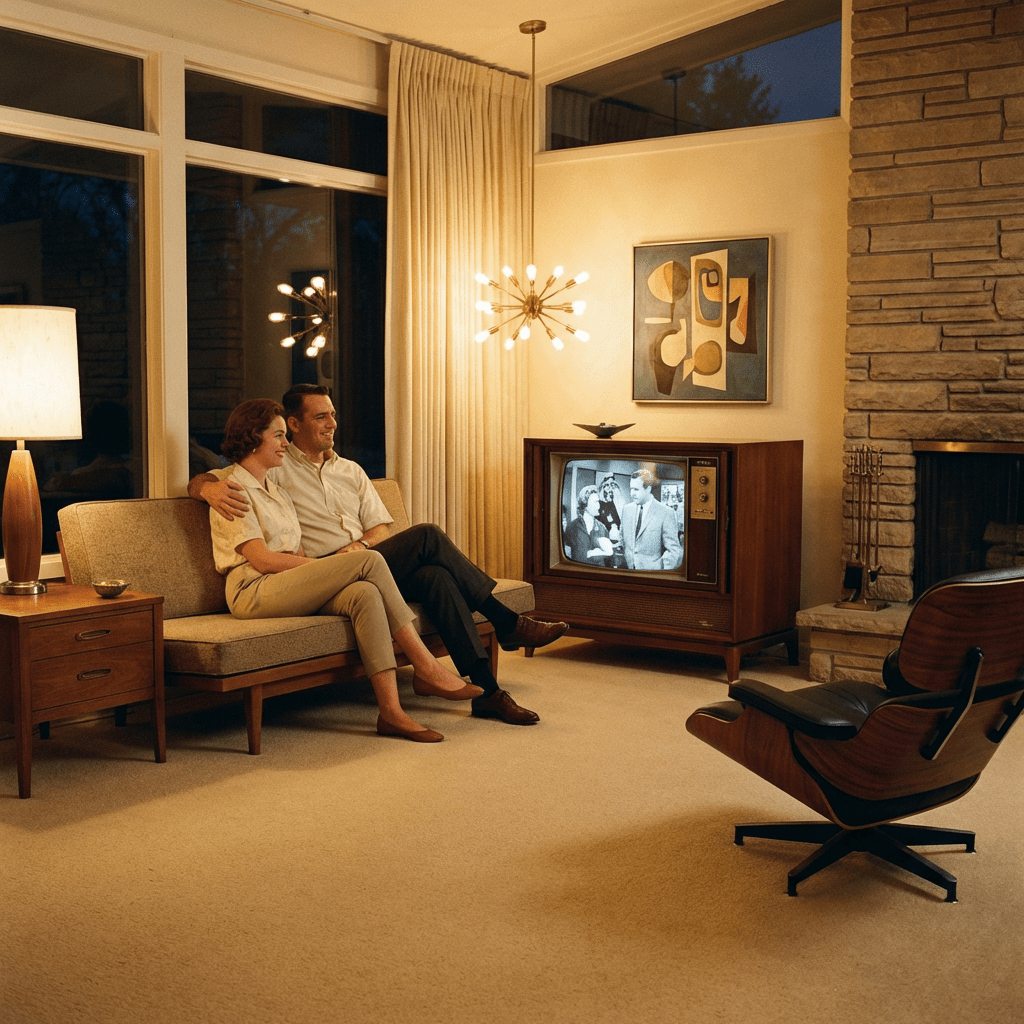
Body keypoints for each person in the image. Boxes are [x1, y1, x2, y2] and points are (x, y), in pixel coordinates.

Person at [190, 384, 567, 725]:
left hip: (363, 560)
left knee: (433, 573)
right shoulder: (277, 468)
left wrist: (363, 547)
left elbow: (380, 529)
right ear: (294, 424)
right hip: (319, 571)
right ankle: (501, 631)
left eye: (333, 415)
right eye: (320, 416)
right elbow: (216, 479)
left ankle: (487, 690)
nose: (332, 423)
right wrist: (205, 489)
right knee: (429, 538)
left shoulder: (351, 471)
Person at [207, 398, 487, 743]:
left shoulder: (276, 489)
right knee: (369, 560)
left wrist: (323, 572)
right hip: (253, 590)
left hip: (287, 583)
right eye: (278, 436)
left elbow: (296, 549)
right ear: (253, 438)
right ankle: (425, 665)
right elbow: (262, 560)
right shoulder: (231, 490)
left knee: (364, 593)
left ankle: (391, 713)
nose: (284, 444)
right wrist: (329, 567)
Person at [620, 468, 683, 570]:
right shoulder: (626, 510)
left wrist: (661, 571)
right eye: (631, 489)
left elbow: (674, 550)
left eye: (636, 489)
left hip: (652, 575)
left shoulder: (666, 512)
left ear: (648, 489)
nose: (632, 494)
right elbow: (622, 540)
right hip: (628, 572)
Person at [564, 485, 613, 566]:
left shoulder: (602, 528)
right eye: (595, 502)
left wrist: (595, 553)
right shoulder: (572, 527)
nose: (599, 506)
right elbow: (567, 554)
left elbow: (609, 558)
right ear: (585, 504)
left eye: (599, 502)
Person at [595, 474, 626, 567]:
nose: (610, 488)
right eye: (607, 485)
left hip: (617, 544)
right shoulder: (598, 505)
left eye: (612, 485)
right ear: (602, 486)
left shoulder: (616, 503)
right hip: (604, 545)